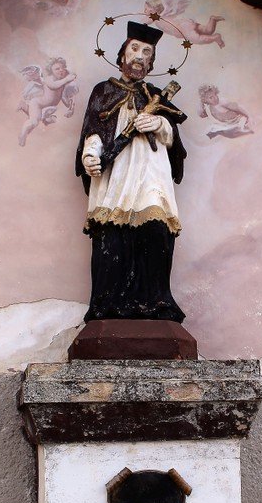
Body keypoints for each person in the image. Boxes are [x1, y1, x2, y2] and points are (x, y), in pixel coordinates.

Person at [75, 22, 187, 322]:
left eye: (146, 52)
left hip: (151, 172)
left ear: (151, 62)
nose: (139, 56)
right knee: (111, 234)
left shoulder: (156, 97)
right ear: (122, 55)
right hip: (115, 176)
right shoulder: (103, 91)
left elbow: (174, 139)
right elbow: (94, 129)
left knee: (156, 230)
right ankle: (107, 304)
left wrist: (160, 124)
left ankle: (156, 303)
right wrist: (90, 155)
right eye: (134, 49)